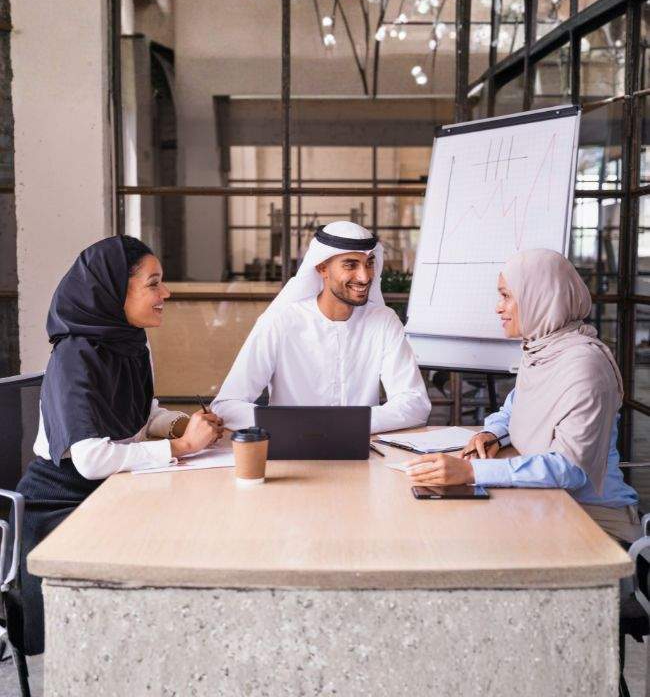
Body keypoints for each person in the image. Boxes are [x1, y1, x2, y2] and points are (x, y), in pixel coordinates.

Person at [9, 236, 223, 655]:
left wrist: (184, 425)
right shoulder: (75, 358)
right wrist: (181, 448)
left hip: (112, 492)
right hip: (60, 506)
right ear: (111, 291)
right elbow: (91, 459)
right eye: (153, 284)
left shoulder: (129, 342)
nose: (166, 293)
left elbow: (143, 415)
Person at [406, 248, 640, 544]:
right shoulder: (543, 349)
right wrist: (492, 434)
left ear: (540, 298)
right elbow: (514, 409)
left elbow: (570, 469)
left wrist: (471, 471)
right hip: (547, 501)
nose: (498, 308)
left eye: (506, 296)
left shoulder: (584, 367)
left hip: (594, 520)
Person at [212, 221, 431, 433]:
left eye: (369, 263)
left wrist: (344, 424)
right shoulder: (280, 321)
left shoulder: (384, 321)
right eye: (350, 265)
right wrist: (296, 424)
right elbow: (227, 406)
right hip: (291, 447)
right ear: (322, 268)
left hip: (365, 449)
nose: (365, 277)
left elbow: (415, 403)